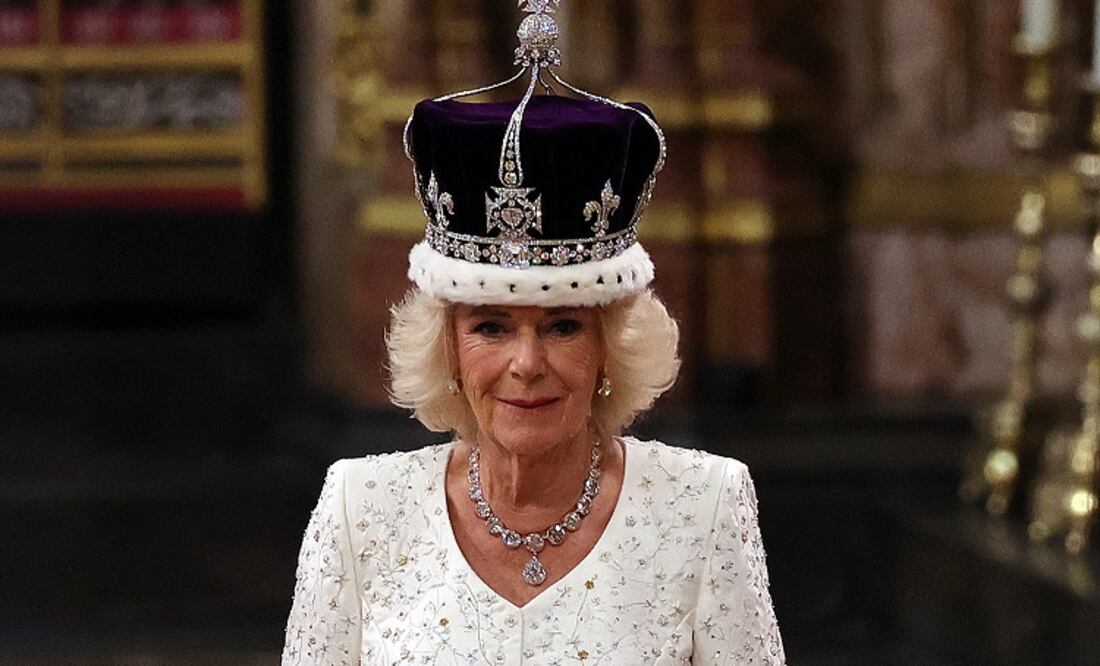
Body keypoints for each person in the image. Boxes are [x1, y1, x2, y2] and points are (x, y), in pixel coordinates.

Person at [283, 2, 784, 663]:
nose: (526, 363)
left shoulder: (705, 507)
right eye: (491, 326)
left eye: (564, 326)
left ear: (613, 346)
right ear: (448, 350)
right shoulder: (360, 510)